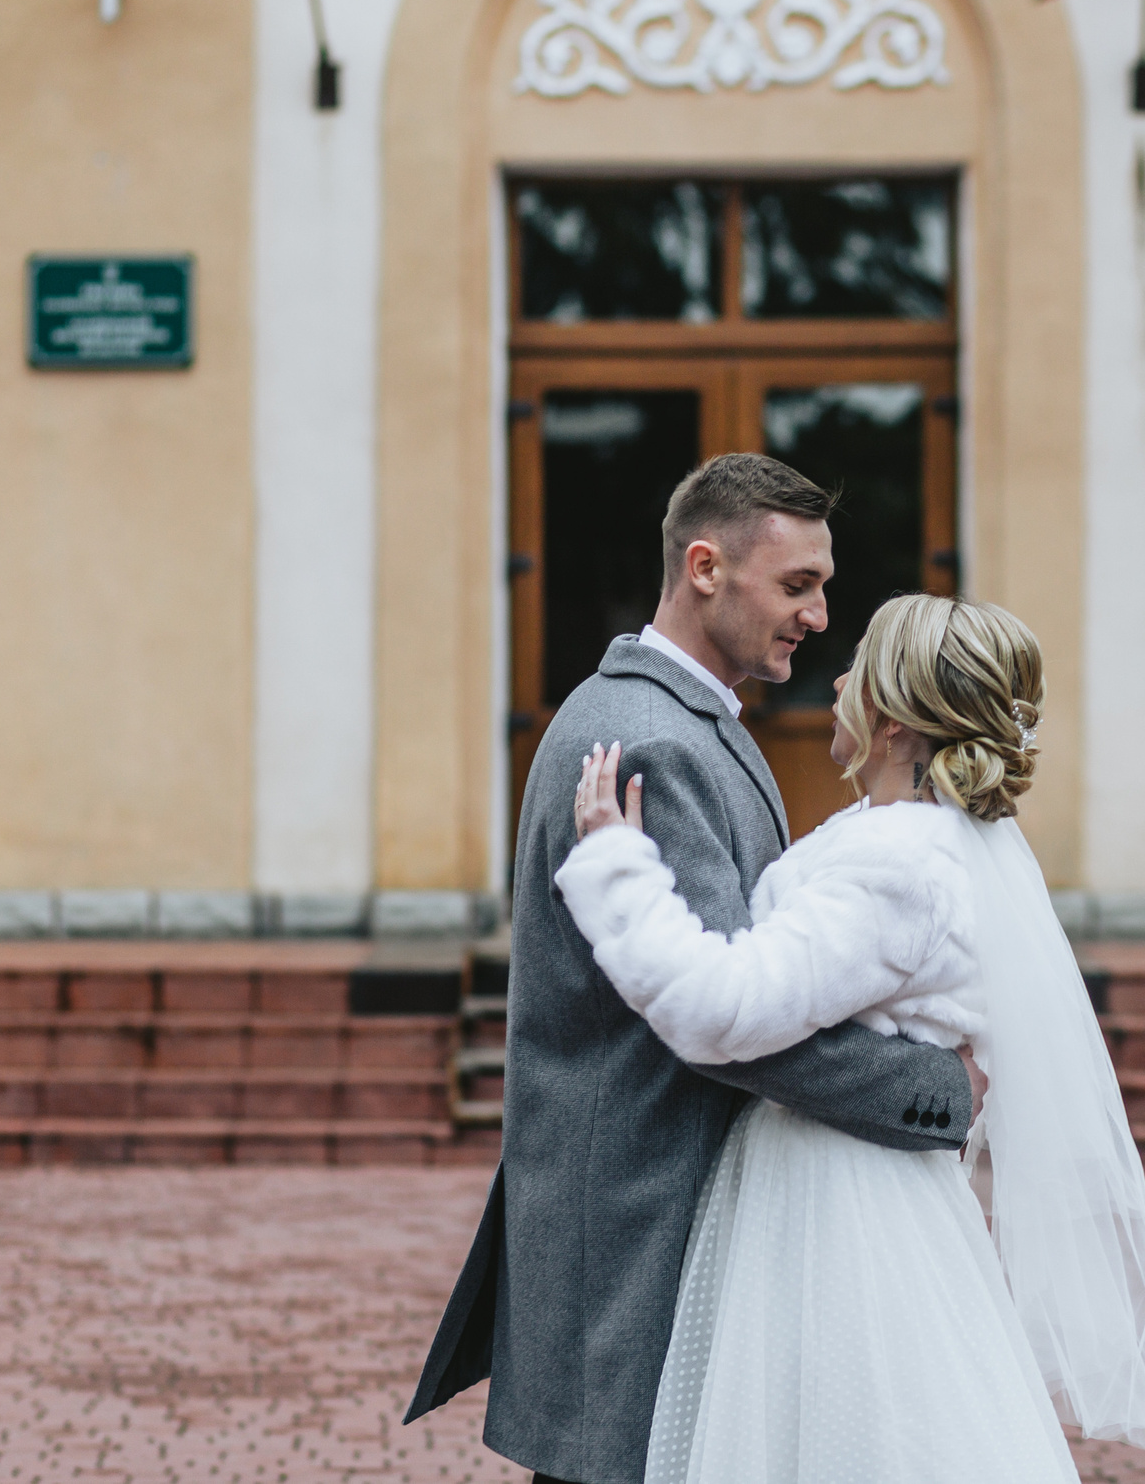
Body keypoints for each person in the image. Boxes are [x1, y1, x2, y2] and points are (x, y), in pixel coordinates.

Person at [404, 455, 977, 1484]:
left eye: (822, 587)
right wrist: (937, 1091)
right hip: (643, 1223)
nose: (817, 615)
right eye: (796, 585)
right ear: (705, 567)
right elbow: (731, 1026)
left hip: (639, 1210)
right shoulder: (651, 741)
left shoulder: (675, 719)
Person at [553, 594, 1145, 1483]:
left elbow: (722, 1009)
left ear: (888, 721)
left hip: (839, 1201)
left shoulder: (898, 870)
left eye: (856, 669)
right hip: (862, 1178)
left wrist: (616, 866)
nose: (835, 679)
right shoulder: (915, 843)